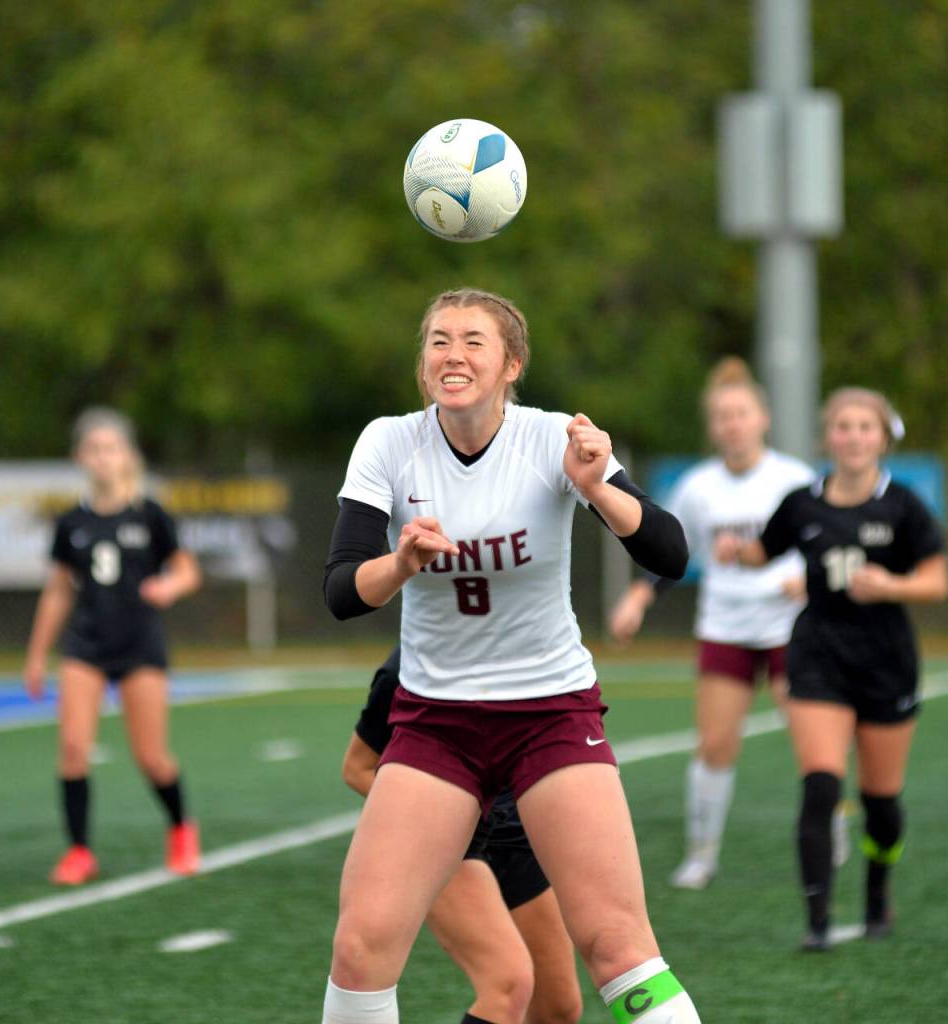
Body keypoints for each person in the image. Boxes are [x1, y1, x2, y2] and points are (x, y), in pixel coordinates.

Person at [322, 288, 700, 1024]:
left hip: (550, 716)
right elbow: (341, 590)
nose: (452, 354)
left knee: (617, 945)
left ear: (511, 364)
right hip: (436, 722)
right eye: (437, 339)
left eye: (472, 340)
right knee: (361, 949)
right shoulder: (388, 442)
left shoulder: (551, 436)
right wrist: (400, 564)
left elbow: (671, 551)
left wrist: (600, 488)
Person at [715, 387, 948, 950]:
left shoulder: (904, 504)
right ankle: (817, 922)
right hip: (818, 655)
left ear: (882, 437)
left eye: (864, 427)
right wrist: (733, 549)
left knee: (881, 802)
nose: (853, 436)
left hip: (887, 661)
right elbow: (763, 551)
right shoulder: (803, 502)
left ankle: (876, 893)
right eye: (843, 426)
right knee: (820, 785)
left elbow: (937, 582)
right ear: (828, 437)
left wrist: (891, 585)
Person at [608, 357, 815, 889]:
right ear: (713, 425)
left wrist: (808, 581)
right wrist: (636, 599)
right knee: (715, 745)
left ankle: (828, 828)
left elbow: (828, 545)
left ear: (762, 417)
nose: (733, 424)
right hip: (726, 628)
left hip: (793, 629)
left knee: (815, 742)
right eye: (723, 416)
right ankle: (702, 853)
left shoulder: (794, 480)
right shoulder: (698, 487)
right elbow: (668, 555)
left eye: (741, 413)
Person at [342, 647, 582, 1024]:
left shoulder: (535, 650)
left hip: (514, 832)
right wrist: (443, 821)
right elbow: (358, 768)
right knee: (508, 985)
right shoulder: (408, 667)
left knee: (559, 1008)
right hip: (451, 842)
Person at [23, 407, 203, 885]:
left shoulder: (150, 515)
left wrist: (170, 587)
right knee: (73, 748)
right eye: (94, 449)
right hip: (86, 644)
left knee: (151, 756)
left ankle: (182, 827)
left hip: (139, 643)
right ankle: (79, 850)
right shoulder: (72, 523)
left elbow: (188, 570)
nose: (103, 458)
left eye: (112, 448)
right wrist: (37, 655)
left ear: (127, 456)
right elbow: (59, 589)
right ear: (80, 457)